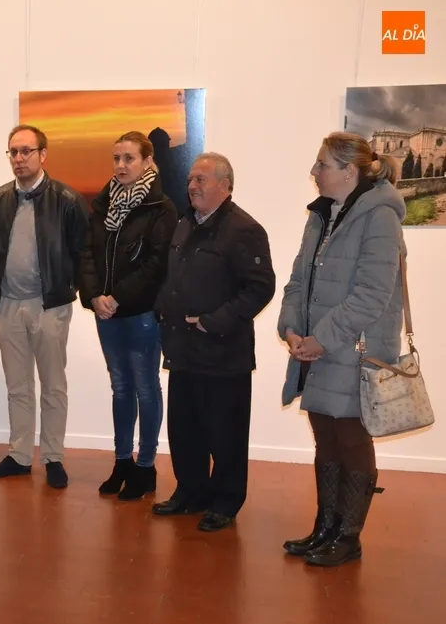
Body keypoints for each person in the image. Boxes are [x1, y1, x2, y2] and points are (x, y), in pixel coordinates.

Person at [278, 132, 404, 566]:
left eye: (322, 165)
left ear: (349, 171)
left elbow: (373, 294)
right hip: (316, 349)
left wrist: (321, 338)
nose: (314, 172)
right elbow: (297, 281)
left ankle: (348, 538)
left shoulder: (380, 217)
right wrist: (293, 329)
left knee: (351, 441)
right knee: (326, 439)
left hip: (354, 352)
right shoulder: (321, 215)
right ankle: (325, 528)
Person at [152, 152, 275, 531]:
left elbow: (260, 288)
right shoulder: (185, 224)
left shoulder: (244, 229)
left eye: (201, 179)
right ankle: (190, 492)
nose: (192, 186)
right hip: (183, 351)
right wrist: (162, 308)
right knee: (185, 429)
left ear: (226, 184)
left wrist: (215, 321)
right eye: (191, 179)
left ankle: (225, 501)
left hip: (224, 354)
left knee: (225, 434)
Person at [0, 124, 89, 489]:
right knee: (18, 386)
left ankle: (54, 457)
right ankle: (20, 455)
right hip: (8, 305)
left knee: (53, 385)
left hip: (50, 307)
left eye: (26, 151)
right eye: (13, 151)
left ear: (43, 154)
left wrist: (67, 291)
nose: (19, 158)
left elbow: (82, 253)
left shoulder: (68, 200)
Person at [79, 131, 178, 500]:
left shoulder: (162, 208)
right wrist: (93, 297)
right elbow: (87, 253)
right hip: (106, 313)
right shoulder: (104, 203)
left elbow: (156, 265)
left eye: (129, 158)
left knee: (145, 387)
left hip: (140, 314)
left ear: (148, 161)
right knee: (120, 387)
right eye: (116, 158)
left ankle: (146, 466)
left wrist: (117, 297)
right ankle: (122, 461)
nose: (121, 165)